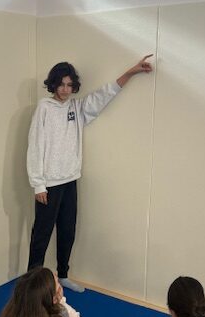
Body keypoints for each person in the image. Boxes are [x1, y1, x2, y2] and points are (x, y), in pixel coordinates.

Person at [27, 56, 153, 293]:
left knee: (68, 230)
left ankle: (63, 275)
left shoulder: (77, 108)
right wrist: (38, 184)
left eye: (69, 85)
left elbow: (105, 94)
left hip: (70, 180)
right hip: (48, 184)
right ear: (53, 84)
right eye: (61, 84)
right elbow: (35, 145)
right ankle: (31, 285)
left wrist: (131, 72)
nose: (65, 89)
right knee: (41, 234)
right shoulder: (44, 108)